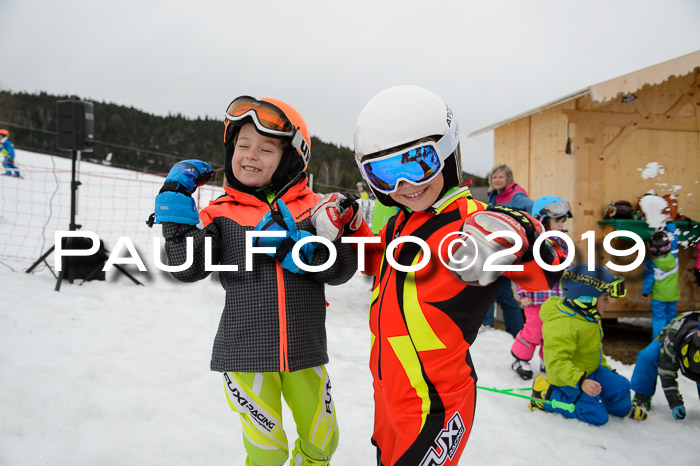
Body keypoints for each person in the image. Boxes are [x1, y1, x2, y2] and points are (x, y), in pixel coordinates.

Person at [311, 85, 562, 465]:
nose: (403, 185)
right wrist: (350, 223)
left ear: (446, 153)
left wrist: (522, 233)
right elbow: (378, 262)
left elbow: (545, 270)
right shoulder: (400, 223)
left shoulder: (471, 223)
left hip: (437, 402)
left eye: (416, 164)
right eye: (383, 174)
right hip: (389, 392)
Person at [151, 96, 357, 466]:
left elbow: (341, 271)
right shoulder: (220, 214)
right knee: (268, 451)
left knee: (323, 441)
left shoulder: (314, 209)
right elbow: (187, 267)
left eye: (265, 149)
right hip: (245, 353)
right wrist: (175, 209)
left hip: (305, 351)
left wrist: (311, 248)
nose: (250, 155)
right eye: (243, 145)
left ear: (292, 158)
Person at [530, 264, 647, 424]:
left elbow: (594, 349)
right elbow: (556, 364)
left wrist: (605, 371)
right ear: (586, 300)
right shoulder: (563, 325)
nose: (608, 303)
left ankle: (621, 409)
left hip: (591, 370)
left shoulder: (589, 317)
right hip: (569, 379)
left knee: (622, 387)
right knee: (597, 416)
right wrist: (581, 381)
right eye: (605, 299)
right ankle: (545, 394)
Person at [511, 196, 572, 379]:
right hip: (535, 297)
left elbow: (566, 267)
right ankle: (519, 357)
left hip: (556, 298)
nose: (561, 225)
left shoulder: (562, 242)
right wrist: (523, 293)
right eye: (557, 221)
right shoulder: (530, 243)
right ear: (543, 219)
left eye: (563, 221)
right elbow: (520, 269)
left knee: (553, 332)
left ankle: (548, 359)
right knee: (534, 330)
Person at [481, 164, 535, 336]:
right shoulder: (494, 197)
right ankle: (516, 332)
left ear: (508, 179)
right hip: (497, 246)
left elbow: (534, 208)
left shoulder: (516, 196)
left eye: (500, 177)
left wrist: (527, 230)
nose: (497, 180)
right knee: (503, 292)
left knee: (488, 282)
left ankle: (487, 326)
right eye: (494, 177)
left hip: (510, 248)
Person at [630, 311, 700, 420]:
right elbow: (666, 372)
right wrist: (675, 403)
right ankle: (642, 395)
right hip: (670, 337)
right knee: (648, 356)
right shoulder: (672, 343)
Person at [642, 227, 680, 338]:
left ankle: (658, 342)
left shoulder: (650, 263)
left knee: (659, 319)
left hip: (658, 297)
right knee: (671, 319)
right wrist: (670, 223)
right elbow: (675, 238)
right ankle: (670, 341)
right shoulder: (673, 256)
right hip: (673, 295)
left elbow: (648, 279)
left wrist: (645, 292)